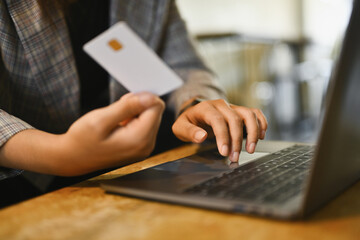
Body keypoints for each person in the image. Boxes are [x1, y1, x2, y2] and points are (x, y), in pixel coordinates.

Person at [0, 0, 267, 200]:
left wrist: (195, 103)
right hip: (21, 181)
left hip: (131, 173)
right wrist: (58, 153)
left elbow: (185, 64)